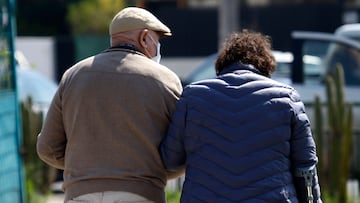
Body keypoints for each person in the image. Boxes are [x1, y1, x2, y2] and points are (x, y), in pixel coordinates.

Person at [37, 7, 183, 203]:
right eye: (157, 41)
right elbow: (181, 150)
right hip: (140, 194)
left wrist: (86, 166)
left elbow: (47, 147)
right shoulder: (165, 80)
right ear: (145, 38)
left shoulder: (73, 75)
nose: (157, 48)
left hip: (80, 193)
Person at [160, 30, 322, 203]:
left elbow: (170, 160)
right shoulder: (286, 98)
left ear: (222, 64)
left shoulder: (193, 96)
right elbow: (306, 169)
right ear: (266, 64)